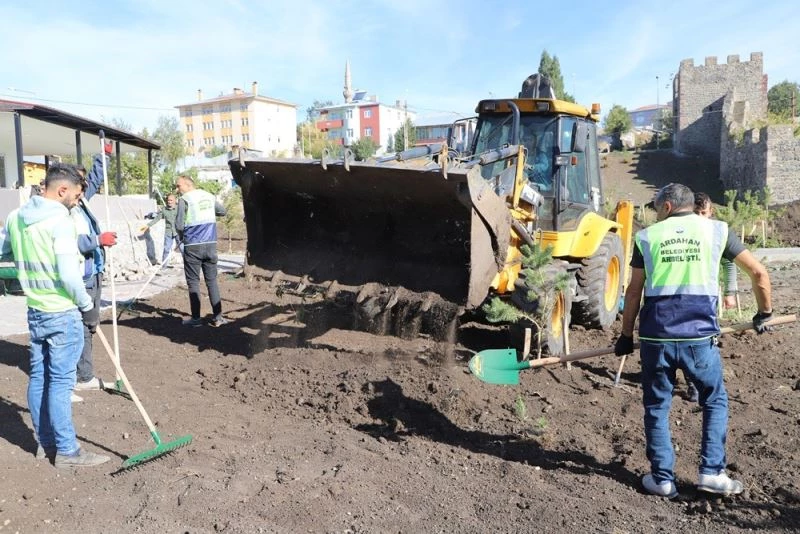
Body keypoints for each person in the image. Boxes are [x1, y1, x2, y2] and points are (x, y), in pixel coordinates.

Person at [614, 183, 772, 498]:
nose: (655, 213)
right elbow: (758, 274)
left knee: (657, 406)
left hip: (655, 337)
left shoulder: (647, 238)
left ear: (668, 207)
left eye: (657, 208)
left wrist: (625, 335)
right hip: (699, 338)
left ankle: (662, 480)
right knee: (714, 399)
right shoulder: (718, 231)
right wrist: (764, 313)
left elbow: (633, 291)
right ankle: (712, 473)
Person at [0, 164, 110, 467]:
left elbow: (3, 252)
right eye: (76, 196)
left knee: (39, 378)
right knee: (61, 383)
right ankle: (67, 451)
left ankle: (44, 443)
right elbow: (68, 274)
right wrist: (87, 306)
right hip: (62, 312)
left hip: (35, 311)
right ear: (62, 190)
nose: (77, 201)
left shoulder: (15, 217)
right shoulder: (60, 220)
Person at [71, 146, 117, 397]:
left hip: (93, 271)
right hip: (80, 276)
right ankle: (77, 376)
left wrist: (103, 156)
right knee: (80, 326)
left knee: (89, 325)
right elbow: (71, 240)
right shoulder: (64, 210)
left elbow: (98, 179)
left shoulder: (81, 201)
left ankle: (84, 374)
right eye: (81, 183)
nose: (86, 186)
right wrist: (98, 240)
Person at [174, 176, 227, 327]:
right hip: (210, 244)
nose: (178, 190)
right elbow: (222, 212)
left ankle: (196, 320)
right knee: (212, 282)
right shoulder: (209, 196)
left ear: (188, 184)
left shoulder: (185, 199)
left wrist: (182, 237)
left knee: (193, 283)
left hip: (193, 246)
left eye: (179, 186)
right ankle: (218, 318)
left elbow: (178, 225)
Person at [694, 192, 738, 310]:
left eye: (703, 213)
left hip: (707, 295)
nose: (700, 217)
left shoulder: (716, 234)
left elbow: (728, 262)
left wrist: (729, 293)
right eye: (696, 213)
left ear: (710, 211)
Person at [140, 193, 180, 266]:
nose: (169, 202)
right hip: (168, 232)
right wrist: (148, 225)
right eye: (168, 200)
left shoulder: (178, 209)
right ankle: (164, 266)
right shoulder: (164, 210)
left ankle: (188, 265)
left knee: (183, 248)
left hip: (178, 232)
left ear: (175, 201)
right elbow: (157, 218)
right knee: (166, 249)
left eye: (171, 200)